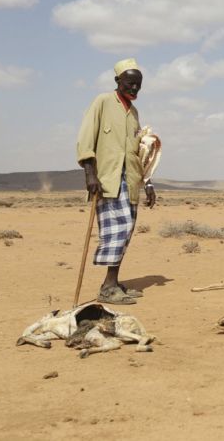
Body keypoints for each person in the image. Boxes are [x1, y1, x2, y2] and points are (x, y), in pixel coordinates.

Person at [76, 58, 156, 305]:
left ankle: (113, 282)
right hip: (107, 180)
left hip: (130, 180)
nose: (134, 89)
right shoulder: (102, 102)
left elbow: (138, 152)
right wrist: (90, 173)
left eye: (138, 85)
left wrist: (148, 182)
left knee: (127, 230)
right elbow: (86, 138)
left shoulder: (133, 113)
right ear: (118, 81)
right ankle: (108, 288)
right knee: (116, 231)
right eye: (130, 83)